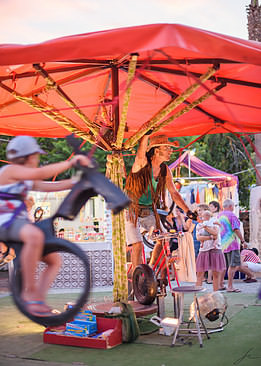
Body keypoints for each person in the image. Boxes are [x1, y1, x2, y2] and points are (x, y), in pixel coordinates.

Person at [0, 135, 90, 316]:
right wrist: (71, 163)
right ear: (27, 156)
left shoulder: (25, 179)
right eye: (36, 156)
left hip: (19, 225)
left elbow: (52, 185)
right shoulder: (9, 171)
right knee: (35, 236)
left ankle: (37, 300)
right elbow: (40, 174)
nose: (38, 160)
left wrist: (79, 181)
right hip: (6, 224)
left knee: (54, 260)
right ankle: (29, 292)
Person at [125, 134, 194, 273]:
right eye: (167, 148)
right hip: (131, 210)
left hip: (149, 210)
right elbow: (140, 152)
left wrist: (188, 211)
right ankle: (138, 276)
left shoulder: (165, 169)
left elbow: (174, 193)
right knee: (138, 245)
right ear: (156, 150)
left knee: (163, 239)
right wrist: (145, 135)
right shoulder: (142, 163)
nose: (170, 151)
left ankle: (149, 270)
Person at [218, 199, 247, 293]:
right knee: (233, 265)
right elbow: (236, 229)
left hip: (222, 244)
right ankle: (230, 286)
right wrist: (243, 241)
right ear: (231, 206)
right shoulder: (232, 215)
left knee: (224, 265)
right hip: (232, 244)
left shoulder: (219, 215)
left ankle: (220, 284)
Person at [196, 210, 226, 292]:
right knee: (200, 273)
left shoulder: (214, 223)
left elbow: (216, 233)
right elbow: (198, 238)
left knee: (216, 273)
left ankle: (215, 293)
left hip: (215, 249)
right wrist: (211, 237)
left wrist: (205, 227)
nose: (205, 217)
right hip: (204, 250)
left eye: (207, 216)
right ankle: (197, 295)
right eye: (204, 216)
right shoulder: (199, 225)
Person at [207, 200, 221, 285]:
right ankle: (211, 279)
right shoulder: (212, 217)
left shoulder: (216, 217)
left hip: (215, 239)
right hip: (213, 239)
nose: (210, 208)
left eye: (211, 206)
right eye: (210, 206)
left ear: (216, 208)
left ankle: (210, 278)